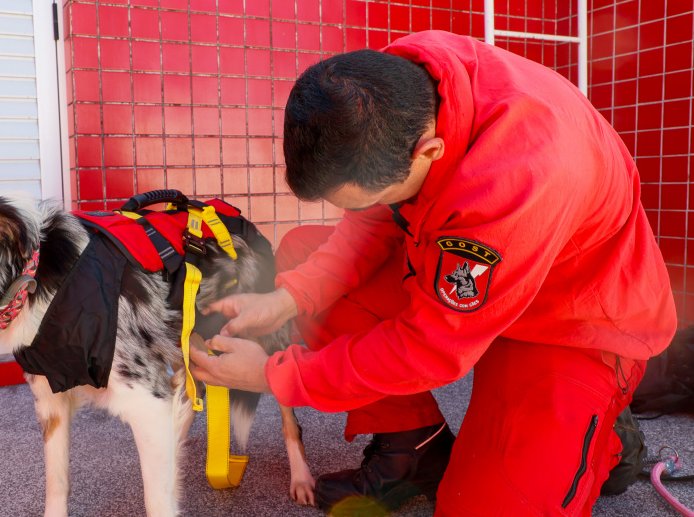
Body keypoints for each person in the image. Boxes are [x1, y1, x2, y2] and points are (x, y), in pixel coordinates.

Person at [189, 30, 677, 516]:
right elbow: (370, 223)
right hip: (473, 284)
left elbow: (430, 347)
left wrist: (276, 376)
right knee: (302, 257)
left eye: (375, 197)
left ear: (428, 152)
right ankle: (413, 447)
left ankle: (606, 436)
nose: (367, 208)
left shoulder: (521, 169)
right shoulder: (397, 90)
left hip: (568, 324)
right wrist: (289, 298)